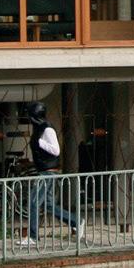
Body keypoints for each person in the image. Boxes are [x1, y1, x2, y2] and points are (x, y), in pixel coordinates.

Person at [18, 102, 85, 246]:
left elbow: (56, 150)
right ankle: (76, 221)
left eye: (30, 115)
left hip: (47, 172)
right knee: (48, 205)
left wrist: (39, 143)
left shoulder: (47, 129)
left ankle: (33, 237)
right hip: (45, 171)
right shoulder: (40, 128)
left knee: (34, 202)